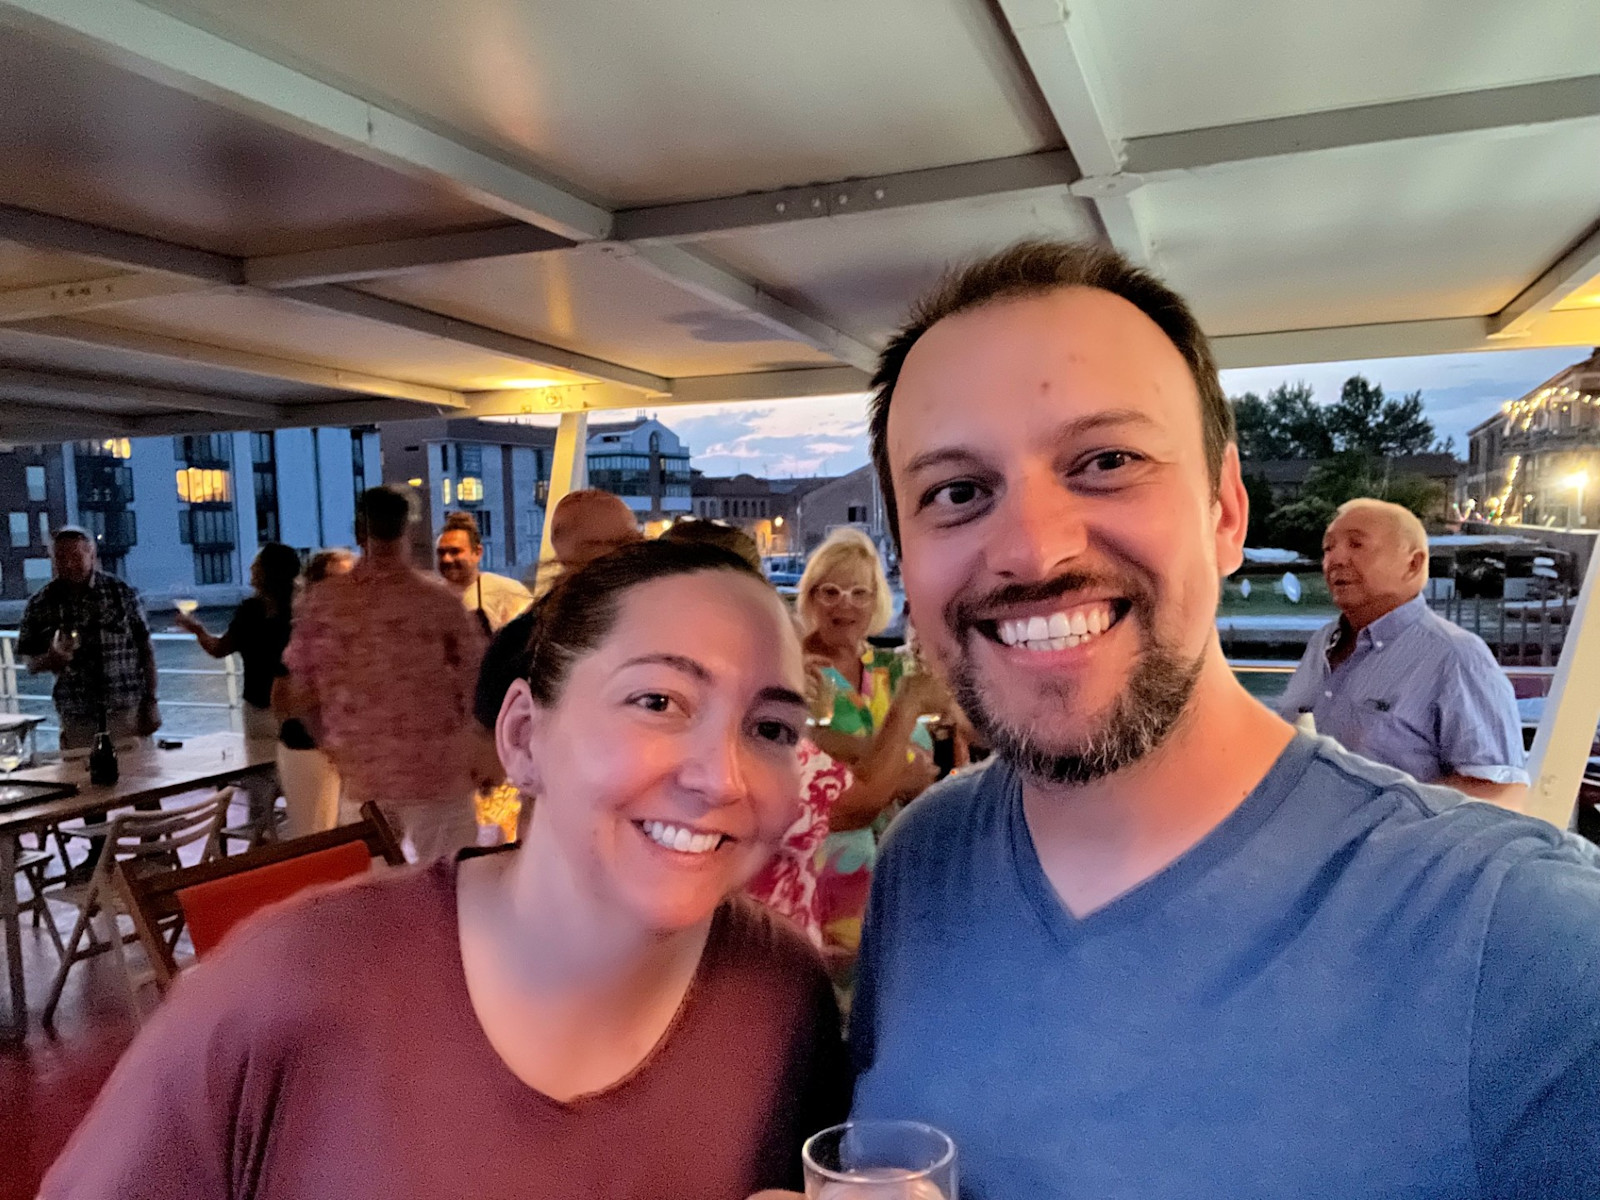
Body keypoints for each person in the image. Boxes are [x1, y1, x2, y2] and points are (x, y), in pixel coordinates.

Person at [828, 241, 1600, 1198]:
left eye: (1106, 461)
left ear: (1226, 509)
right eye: (957, 492)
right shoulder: (922, 862)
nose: (1030, 548)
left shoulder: (1529, 940)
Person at [44, 540, 848, 1200]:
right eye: (659, 702)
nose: (723, 777)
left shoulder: (781, 993)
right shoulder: (286, 984)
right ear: (526, 737)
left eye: (771, 728)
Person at [1277, 498, 1528, 805]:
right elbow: (1290, 729)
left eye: (1356, 544)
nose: (1336, 559)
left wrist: (1382, 817)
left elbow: (1500, 789)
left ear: (1413, 564)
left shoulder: (1456, 656)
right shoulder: (1324, 641)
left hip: (1396, 850)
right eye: (1328, 548)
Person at [282, 488, 484, 862]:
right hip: (440, 774)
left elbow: (302, 692)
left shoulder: (325, 602)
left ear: (360, 532)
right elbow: (475, 684)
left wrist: (333, 746)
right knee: (451, 889)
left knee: (375, 894)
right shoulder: (438, 601)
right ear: (407, 530)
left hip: (364, 779)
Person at [795, 529, 941, 969]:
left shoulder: (893, 668)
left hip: (903, 858)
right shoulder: (793, 669)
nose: (846, 605)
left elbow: (924, 767)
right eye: (832, 591)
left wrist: (888, 766)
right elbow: (802, 751)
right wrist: (889, 762)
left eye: (861, 593)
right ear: (810, 596)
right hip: (829, 862)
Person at [176, 541, 302, 835]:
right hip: (291, 705)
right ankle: (292, 838)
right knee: (292, 779)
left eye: (256, 564)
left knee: (259, 779)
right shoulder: (300, 611)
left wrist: (196, 630)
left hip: (256, 705)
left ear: (267, 572)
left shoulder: (250, 611)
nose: (250, 568)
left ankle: (262, 839)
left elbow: (219, 649)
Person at [17, 527, 160, 749]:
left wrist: (151, 702)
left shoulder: (120, 593)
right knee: (82, 781)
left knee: (139, 779)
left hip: (126, 714)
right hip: (77, 719)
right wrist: (50, 660)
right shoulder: (40, 603)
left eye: (75, 556)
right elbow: (29, 661)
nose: (68, 564)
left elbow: (146, 650)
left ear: (91, 555)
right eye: (60, 558)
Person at [272, 548, 354, 839]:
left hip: (352, 751)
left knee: (357, 840)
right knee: (316, 838)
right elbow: (281, 703)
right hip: (308, 749)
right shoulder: (295, 631)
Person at [436, 511, 533, 635]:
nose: (446, 559)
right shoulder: (429, 598)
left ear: (477, 552)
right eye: (441, 553)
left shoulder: (510, 593)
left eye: (455, 551)